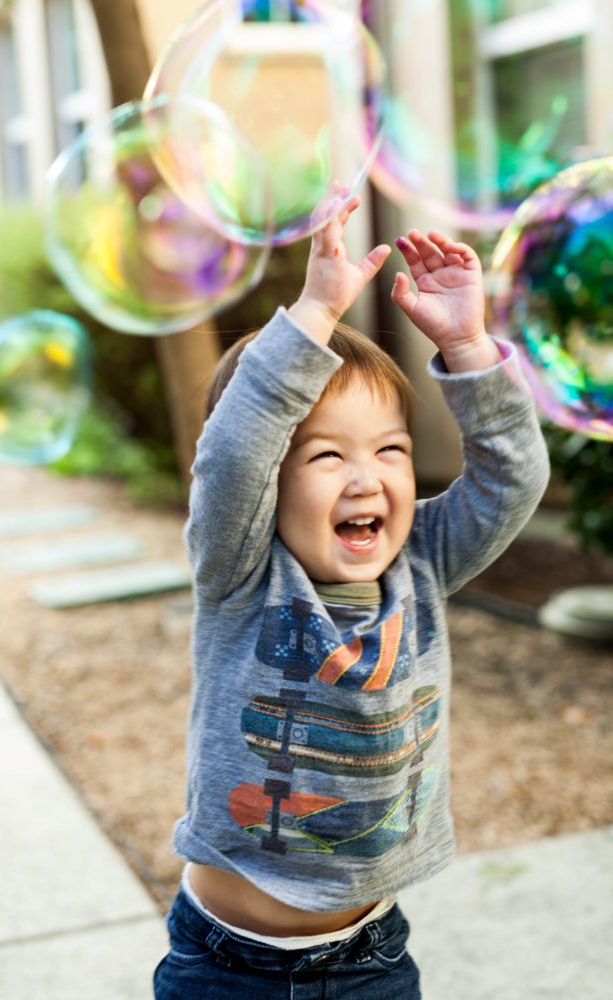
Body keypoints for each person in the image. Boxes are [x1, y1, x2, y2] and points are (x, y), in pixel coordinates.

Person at [154, 196, 550, 999]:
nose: (367, 477)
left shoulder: (426, 562)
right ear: (270, 478)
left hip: (371, 959)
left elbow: (513, 478)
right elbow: (230, 460)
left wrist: (468, 344)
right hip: (230, 968)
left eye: (392, 450)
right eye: (327, 455)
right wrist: (312, 314)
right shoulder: (239, 569)